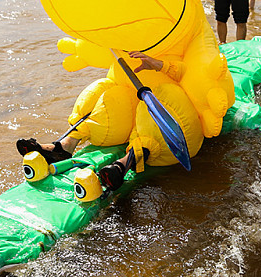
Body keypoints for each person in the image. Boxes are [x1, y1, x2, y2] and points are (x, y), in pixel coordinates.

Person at [16, 51, 163, 191]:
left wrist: (160, 65)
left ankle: (125, 163)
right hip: (123, 89)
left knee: (151, 115)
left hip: (156, 95)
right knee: (99, 96)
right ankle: (64, 146)